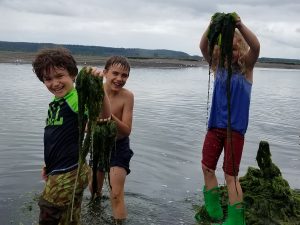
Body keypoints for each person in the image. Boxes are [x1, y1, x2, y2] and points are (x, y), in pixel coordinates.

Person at [32, 47, 111, 225]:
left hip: (68, 171)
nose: (55, 83)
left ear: (73, 75)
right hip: (61, 168)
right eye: (48, 79)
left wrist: (100, 87)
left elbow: (103, 117)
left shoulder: (76, 98)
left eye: (60, 76)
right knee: (70, 218)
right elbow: (56, 137)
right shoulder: (56, 101)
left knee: (49, 211)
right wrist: (48, 164)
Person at [197, 14, 260, 225]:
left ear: (240, 50)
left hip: (235, 131)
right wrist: (212, 25)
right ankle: (213, 208)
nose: (230, 53)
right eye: (226, 49)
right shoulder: (218, 68)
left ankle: (235, 218)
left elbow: (256, 47)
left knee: (230, 175)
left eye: (234, 49)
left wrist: (240, 25)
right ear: (219, 50)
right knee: (207, 167)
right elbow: (202, 45)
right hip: (214, 128)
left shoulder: (246, 69)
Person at [88, 56, 134, 224]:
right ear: (105, 73)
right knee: (94, 191)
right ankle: (95, 217)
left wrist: (109, 117)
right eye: (115, 73)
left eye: (124, 75)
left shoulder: (127, 97)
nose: (119, 79)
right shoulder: (95, 91)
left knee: (116, 194)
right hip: (99, 145)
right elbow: (85, 126)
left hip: (119, 147)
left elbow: (127, 130)